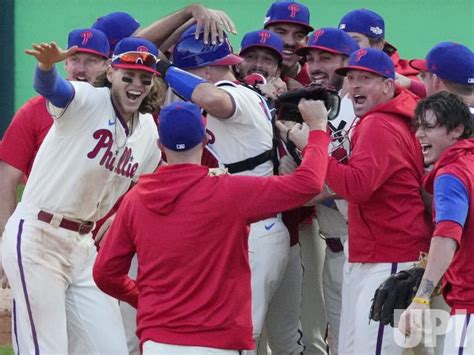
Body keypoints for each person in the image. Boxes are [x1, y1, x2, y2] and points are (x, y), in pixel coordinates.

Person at [92, 99, 331, 355]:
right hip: (218, 341)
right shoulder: (229, 191)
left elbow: (106, 273)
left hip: (158, 340)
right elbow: (308, 184)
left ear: (160, 146)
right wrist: (317, 130)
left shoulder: (136, 200)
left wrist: (144, 300)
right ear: (205, 139)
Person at [1, 36, 162, 354]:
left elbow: (143, 188)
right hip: (38, 236)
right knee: (45, 349)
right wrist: (46, 67)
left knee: (109, 348)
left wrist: (118, 215)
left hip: (83, 248)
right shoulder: (88, 98)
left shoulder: (148, 130)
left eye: (144, 78)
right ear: (111, 73)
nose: (135, 85)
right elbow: (54, 89)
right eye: (127, 75)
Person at [159, 28, 302, 354]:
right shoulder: (245, 92)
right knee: (236, 334)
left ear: (206, 71)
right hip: (250, 228)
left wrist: (165, 70)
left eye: (188, 71)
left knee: (239, 335)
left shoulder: (230, 91)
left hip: (256, 230)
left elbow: (212, 99)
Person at [295, 47, 433, 354]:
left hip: (391, 256)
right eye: (352, 77)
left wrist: (315, 140)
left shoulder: (379, 125)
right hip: (376, 253)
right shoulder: (383, 116)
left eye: (366, 79)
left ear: (387, 85)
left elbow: (357, 187)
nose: (355, 85)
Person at [0, 28, 110, 289]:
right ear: (65, 63)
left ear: (107, 66)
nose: (81, 69)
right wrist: (6, 241)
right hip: (46, 241)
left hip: (107, 243)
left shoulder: (120, 114)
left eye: (91, 61)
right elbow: (6, 178)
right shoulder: (34, 111)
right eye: (74, 59)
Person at [295, 27, 359, 354]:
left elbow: (361, 181)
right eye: (310, 59)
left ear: (347, 64)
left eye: (326, 58)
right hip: (334, 250)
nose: (316, 66)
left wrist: (305, 192)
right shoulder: (311, 109)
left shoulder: (361, 110)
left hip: (366, 248)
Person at [398, 91, 473, 354]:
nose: (418, 134)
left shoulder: (452, 174)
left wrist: (421, 296)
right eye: (417, 126)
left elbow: (446, 235)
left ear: (457, 130)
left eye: (429, 127)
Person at [338, 8, 426, 98]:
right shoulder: (334, 74)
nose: (347, 47)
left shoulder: (403, 82)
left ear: (378, 45)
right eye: (343, 41)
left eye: (355, 40)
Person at [409, 42, 474, 115]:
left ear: (435, 81)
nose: (423, 82)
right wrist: (411, 84)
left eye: (423, 76)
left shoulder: (440, 122)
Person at [263, 1, 313, 89]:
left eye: (299, 35)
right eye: (281, 32)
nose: (290, 42)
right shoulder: (241, 69)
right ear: (265, 34)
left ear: (306, 41)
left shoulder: (314, 81)